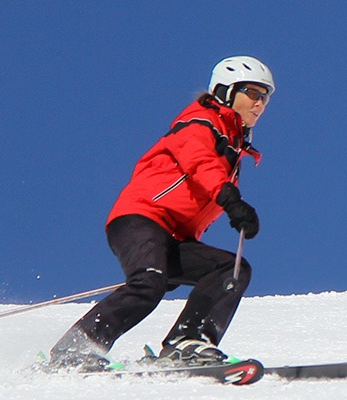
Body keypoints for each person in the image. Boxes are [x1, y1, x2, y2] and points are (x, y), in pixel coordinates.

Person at [46, 56, 274, 372]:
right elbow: (199, 163)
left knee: (231, 269)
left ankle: (187, 342)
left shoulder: (234, 147)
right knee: (148, 284)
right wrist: (230, 199)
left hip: (173, 237)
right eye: (252, 92)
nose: (260, 102)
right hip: (141, 218)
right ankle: (74, 350)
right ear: (225, 90)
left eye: (265, 96)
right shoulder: (200, 121)